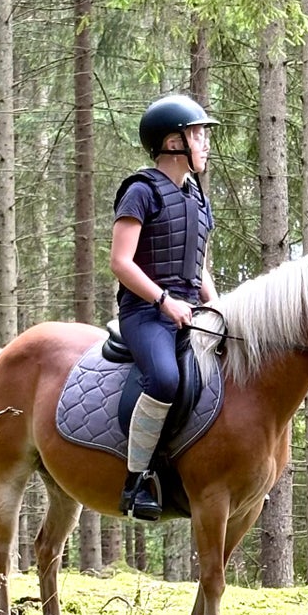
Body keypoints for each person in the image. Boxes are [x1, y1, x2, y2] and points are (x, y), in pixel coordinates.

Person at [110, 92, 219, 521]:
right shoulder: (140, 191)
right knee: (165, 378)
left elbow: (198, 266)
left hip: (190, 309)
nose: (204, 144)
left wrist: (217, 305)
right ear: (172, 142)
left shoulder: (196, 197)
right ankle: (136, 481)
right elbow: (120, 262)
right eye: (197, 134)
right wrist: (162, 299)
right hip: (145, 313)